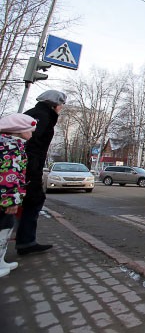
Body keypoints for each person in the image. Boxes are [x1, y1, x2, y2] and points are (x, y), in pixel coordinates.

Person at [15, 90, 66, 256]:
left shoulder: (36, 113)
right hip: (28, 167)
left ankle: (23, 239)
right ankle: (25, 242)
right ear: (55, 104)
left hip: (24, 166)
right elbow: (32, 143)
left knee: (21, 202)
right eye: (61, 104)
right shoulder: (42, 116)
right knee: (33, 200)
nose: (61, 108)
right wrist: (32, 170)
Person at [0, 113, 37, 276]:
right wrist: (12, 201)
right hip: (5, 197)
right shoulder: (12, 147)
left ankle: (1, 261)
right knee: (4, 227)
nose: (31, 134)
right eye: (30, 131)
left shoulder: (6, 144)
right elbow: (10, 175)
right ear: (19, 131)